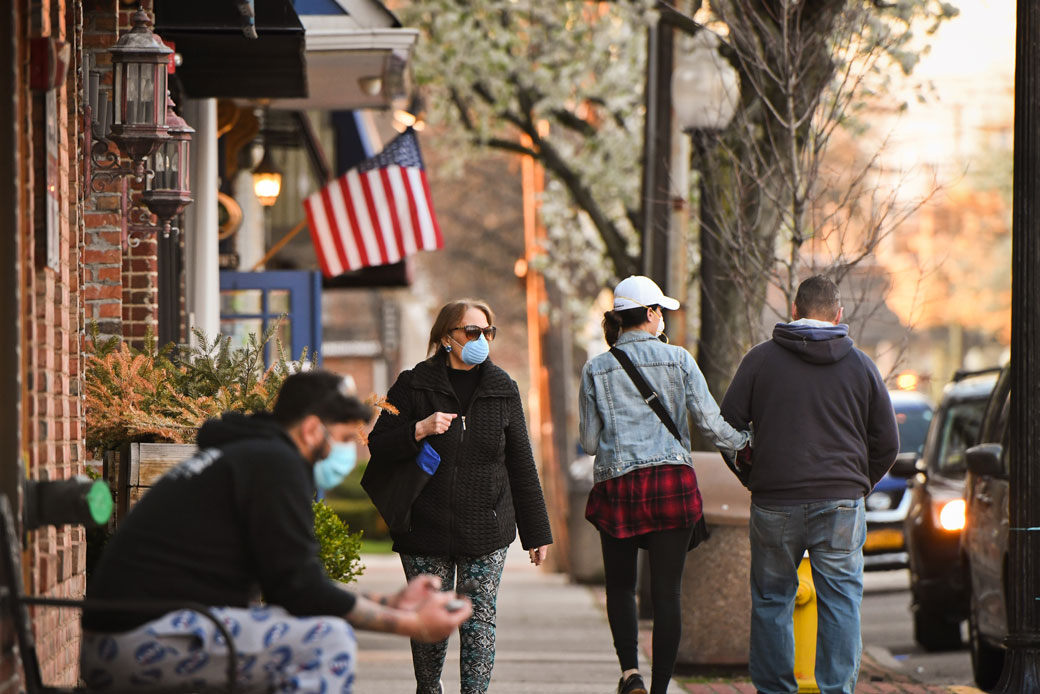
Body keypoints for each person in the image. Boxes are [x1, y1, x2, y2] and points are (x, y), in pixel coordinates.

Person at [81, 370, 473, 694]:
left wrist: (390, 602)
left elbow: (291, 585)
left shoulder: (252, 456)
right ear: (310, 429)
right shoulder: (274, 464)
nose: (343, 452)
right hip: (140, 640)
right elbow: (300, 591)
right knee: (326, 641)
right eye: (339, 439)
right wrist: (413, 626)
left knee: (297, 631)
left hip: (140, 634)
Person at [720, 275, 899, 694]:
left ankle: (775, 690)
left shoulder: (760, 360)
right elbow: (887, 443)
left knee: (771, 601)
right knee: (841, 603)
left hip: (774, 502)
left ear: (794, 311)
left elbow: (725, 427)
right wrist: (858, 486)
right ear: (839, 315)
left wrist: (752, 475)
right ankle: (837, 690)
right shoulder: (861, 366)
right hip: (841, 502)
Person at [366, 298, 553, 694]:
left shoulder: (503, 388)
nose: (481, 339)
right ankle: (429, 688)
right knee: (429, 623)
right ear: (446, 337)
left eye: (488, 331)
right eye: (472, 331)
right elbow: (378, 444)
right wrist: (419, 428)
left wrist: (536, 532)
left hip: (486, 527)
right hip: (425, 526)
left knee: (479, 618)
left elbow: (521, 463)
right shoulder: (413, 384)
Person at [579, 276, 751, 694]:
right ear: (652, 313)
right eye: (662, 312)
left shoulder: (596, 368)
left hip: (618, 484)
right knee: (667, 593)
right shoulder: (680, 360)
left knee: (620, 586)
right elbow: (712, 424)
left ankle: (629, 675)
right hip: (671, 482)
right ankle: (658, 689)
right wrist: (747, 446)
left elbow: (587, 443)